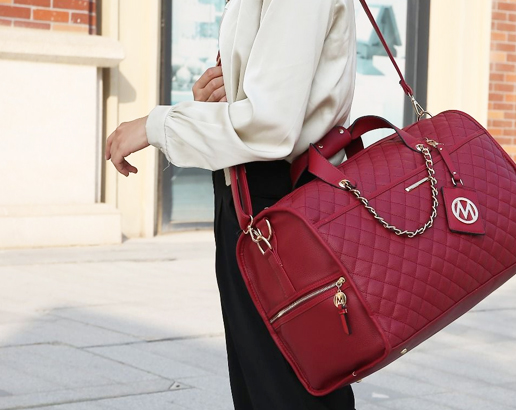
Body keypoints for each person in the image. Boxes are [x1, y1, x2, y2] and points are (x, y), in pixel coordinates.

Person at [105, 0, 358, 408]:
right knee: (263, 386)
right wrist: (221, 99)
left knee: (289, 389)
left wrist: (158, 125)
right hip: (248, 200)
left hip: (282, 206)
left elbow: (271, 126)